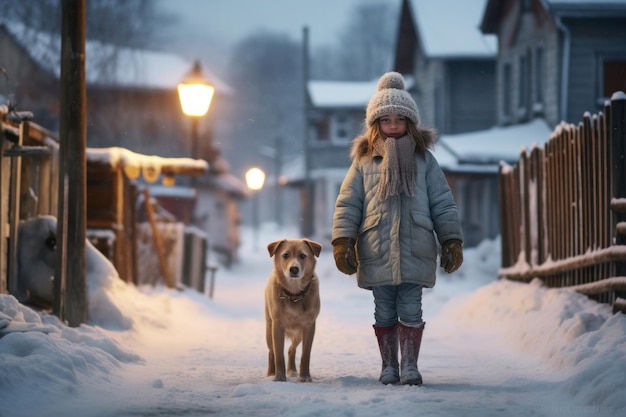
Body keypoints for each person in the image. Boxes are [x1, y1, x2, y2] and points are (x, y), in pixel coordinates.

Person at [331, 71, 463, 386]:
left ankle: (411, 367)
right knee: (384, 311)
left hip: (415, 245)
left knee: (411, 309)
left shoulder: (424, 161)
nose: (393, 124)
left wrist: (451, 240)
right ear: (375, 124)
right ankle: (389, 365)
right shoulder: (364, 161)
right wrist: (343, 241)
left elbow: (442, 203)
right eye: (385, 119)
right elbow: (348, 203)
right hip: (376, 246)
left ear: (410, 123)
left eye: (399, 118)